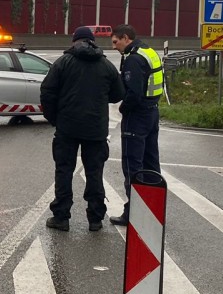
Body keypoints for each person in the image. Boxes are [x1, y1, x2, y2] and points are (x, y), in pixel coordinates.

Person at [40, 26, 125, 231]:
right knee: (94, 173)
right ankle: (95, 218)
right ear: (93, 41)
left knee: (64, 171)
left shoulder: (63, 62)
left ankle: (61, 217)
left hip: (67, 128)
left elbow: (47, 91)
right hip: (96, 130)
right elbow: (118, 93)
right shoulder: (105, 65)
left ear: (74, 41)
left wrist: (54, 119)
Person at [109, 24, 165, 226]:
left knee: (133, 165)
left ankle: (134, 212)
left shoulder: (133, 59)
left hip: (137, 116)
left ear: (125, 38)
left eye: (116, 42)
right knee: (151, 163)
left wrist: (123, 109)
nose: (114, 46)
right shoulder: (149, 52)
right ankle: (154, 209)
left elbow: (133, 92)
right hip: (152, 112)